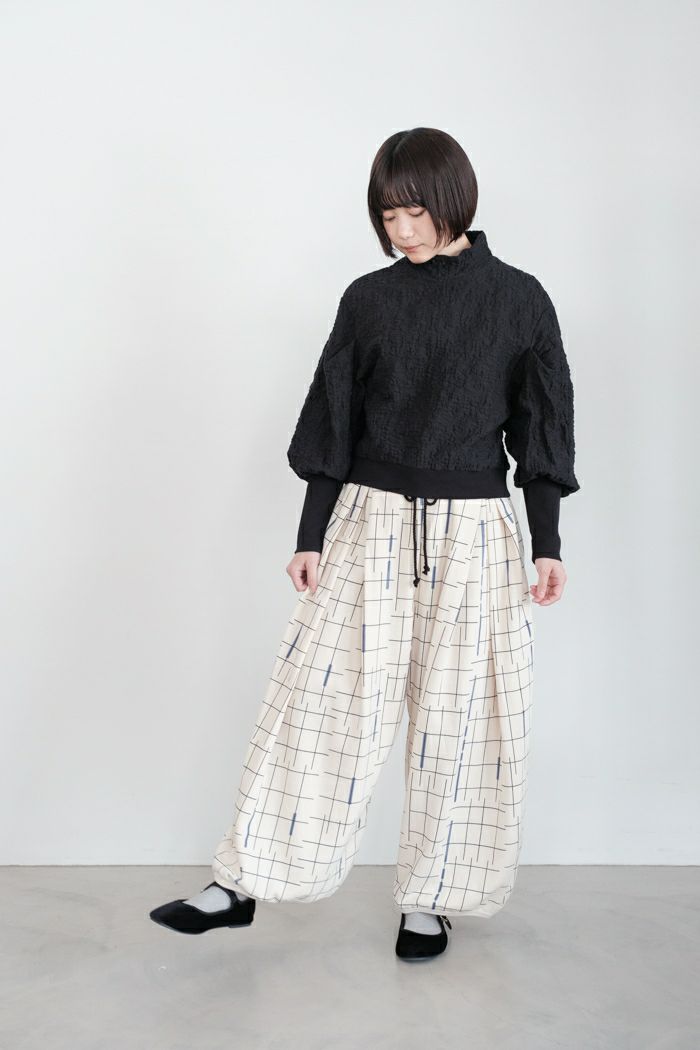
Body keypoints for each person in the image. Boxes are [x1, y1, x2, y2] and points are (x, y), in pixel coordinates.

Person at [149, 127, 581, 962]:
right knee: (318, 702)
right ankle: (241, 882)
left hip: (477, 532)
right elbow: (334, 419)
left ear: (453, 200)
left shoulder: (520, 299)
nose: (401, 230)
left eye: (415, 211)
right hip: (369, 519)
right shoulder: (369, 299)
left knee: (461, 720)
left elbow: (541, 428)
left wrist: (548, 542)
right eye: (387, 215)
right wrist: (310, 534)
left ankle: (431, 899)